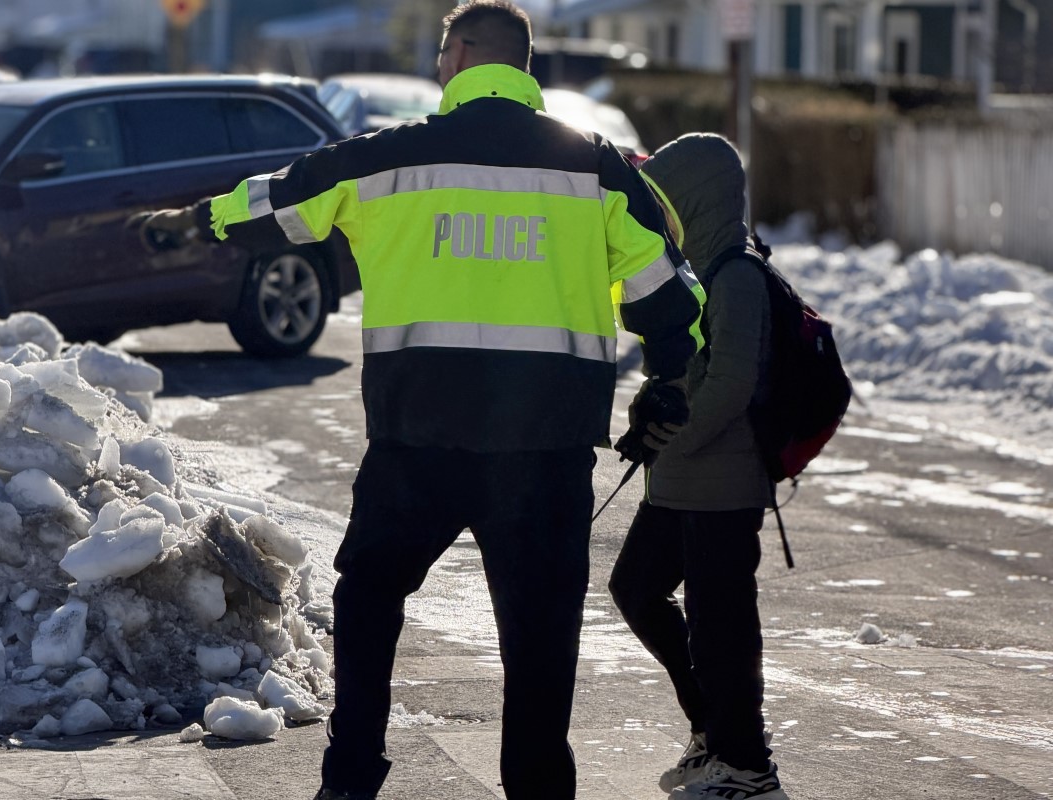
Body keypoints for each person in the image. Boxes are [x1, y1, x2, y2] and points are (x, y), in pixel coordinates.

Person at [138, 3, 705, 798]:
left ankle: (350, 778)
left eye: (443, 53)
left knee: (369, 603)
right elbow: (669, 296)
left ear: (463, 52)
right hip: (544, 453)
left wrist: (193, 223)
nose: (438, 66)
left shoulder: (390, 157)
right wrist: (665, 390)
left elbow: (277, 203)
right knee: (539, 637)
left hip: (417, 442)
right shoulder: (598, 168)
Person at [608, 133, 789, 800]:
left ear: (699, 200)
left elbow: (732, 385)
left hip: (723, 484)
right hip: (682, 479)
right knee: (636, 588)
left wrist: (672, 439)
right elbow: (692, 374)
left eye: (668, 201)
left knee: (722, 629)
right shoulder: (697, 270)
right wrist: (651, 406)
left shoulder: (737, 275)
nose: (662, 215)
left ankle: (747, 766)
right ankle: (713, 732)